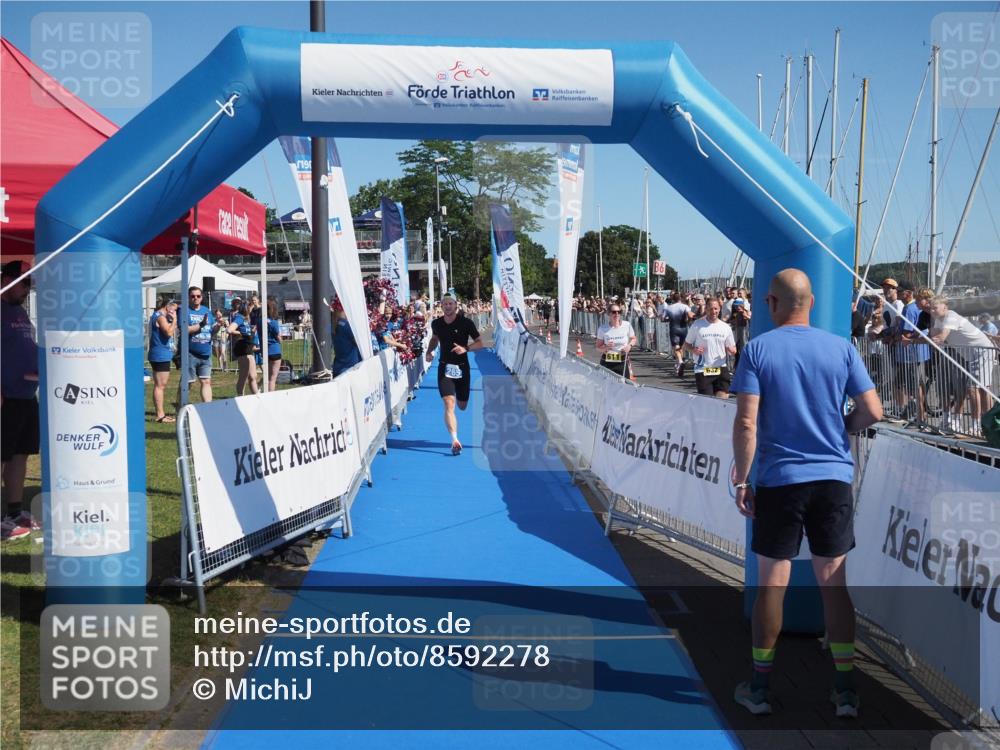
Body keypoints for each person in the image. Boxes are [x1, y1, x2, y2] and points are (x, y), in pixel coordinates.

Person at [730, 269, 882, 719]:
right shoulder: (840, 347)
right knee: (834, 585)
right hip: (833, 477)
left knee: (771, 586)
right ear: (812, 302)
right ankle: (845, 691)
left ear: (772, 303)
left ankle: (759, 688)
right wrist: (841, 431)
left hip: (781, 479)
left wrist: (742, 479)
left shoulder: (758, 349)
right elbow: (873, 410)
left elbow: (746, 423)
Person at [1, 261, 41, 541]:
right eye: (23, 282)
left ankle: (13, 512)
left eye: (29, 283)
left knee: (19, 455)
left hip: (26, 395)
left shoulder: (20, 313)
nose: (27, 289)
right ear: (5, 279)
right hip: (6, 397)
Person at [425, 293, 484, 455]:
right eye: (445, 304)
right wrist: (429, 351)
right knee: (448, 404)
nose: (448, 306)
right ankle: (455, 440)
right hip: (445, 367)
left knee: (462, 405)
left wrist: (466, 348)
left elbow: (480, 342)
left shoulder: (466, 323)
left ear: (456, 305)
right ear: (441, 306)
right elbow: (435, 338)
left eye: (451, 304)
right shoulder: (436, 323)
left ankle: (460, 396)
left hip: (462, 367)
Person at [930, 296, 995, 432]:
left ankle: (976, 426)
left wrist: (930, 338)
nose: (932, 310)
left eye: (934, 307)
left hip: (981, 350)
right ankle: (986, 425)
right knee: (981, 388)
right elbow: (933, 335)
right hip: (971, 354)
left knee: (974, 388)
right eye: (931, 307)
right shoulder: (938, 320)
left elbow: (941, 337)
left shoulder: (951, 317)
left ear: (945, 307)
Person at [684, 298, 737, 398]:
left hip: (721, 367)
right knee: (707, 403)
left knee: (723, 401)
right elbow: (686, 344)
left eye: (716, 309)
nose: (714, 311)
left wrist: (732, 350)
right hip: (703, 369)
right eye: (711, 309)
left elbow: (732, 348)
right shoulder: (697, 325)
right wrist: (693, 350)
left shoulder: (725, 327)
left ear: (720, 309)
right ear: (706, 309)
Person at [180, 286, 213, 404]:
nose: (195, 298)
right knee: (187, 384)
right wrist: (201, 324)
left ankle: (208, 409)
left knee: (206, 381)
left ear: (201, 297)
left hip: (206, 354)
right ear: (188, 297)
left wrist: (219, 325)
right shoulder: (185, 311)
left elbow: (211, 330)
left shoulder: (206, 310)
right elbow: (184, 330)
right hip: (190, 354)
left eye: (198, 296)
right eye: (192, 296)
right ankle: (181, 409)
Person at [148, 296, 178, 423]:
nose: (175, 311)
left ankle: (160, 414)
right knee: (160, 385)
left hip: (159, 353)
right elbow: (169, 332)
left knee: (160, 385)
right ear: (168, 306)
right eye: (174, 309)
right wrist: (175, 320)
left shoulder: (158, 315)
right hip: (160, 354)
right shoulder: (160, 317)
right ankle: (160, 415)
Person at [595, 303, 637, 378]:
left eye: (619, 312)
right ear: (609, 314)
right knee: (607, 387)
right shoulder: (603, 328)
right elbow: (598, 347)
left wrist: (629, 346)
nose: (617, 314)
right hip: (608, 361)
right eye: (614, 312)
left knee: (625, 386)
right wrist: (606, 347)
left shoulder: (626, 325)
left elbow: (633, 338)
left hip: (622, 361)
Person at [228, 301, 259, 396]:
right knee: (244, 376)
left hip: (248, 348)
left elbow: (247, 331)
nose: (251, 308)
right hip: (242, 348)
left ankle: (257, 396)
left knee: (253, 376)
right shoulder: (239, 318)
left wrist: (251, 331)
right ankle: (240, 397)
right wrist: (241, 334)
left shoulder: (246, 319)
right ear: (245, 308)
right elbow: (229, 329)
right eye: (250, 306)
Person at [663, 292, 693, 378]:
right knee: (681, 347)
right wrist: (688, 320)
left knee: (676, 347)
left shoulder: (669, 308)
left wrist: (668, 319)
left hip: (674, 328)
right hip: (684, 328)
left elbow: (663, 318)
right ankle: (679, 364)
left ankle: (680, 362)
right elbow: (690, 316)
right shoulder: (685, 306)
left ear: (672, 299)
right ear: (680, 298)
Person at [331, 305, 362, 377]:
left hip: (338, 367)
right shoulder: (347, 325)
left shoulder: (334, 325)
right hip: (349, 367)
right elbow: (360, 343)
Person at [263, 297, 283, 392]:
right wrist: (280, 339)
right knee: (272, 378)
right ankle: (270, 397)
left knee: (266, 376)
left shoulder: (261, 321)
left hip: (265, 350)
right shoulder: (274, 323)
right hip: (275, 350)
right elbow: (278, 337)